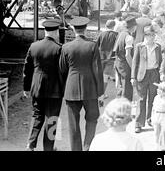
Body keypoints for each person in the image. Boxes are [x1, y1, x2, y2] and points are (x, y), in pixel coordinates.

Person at [59, 16, 104, 151]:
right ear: (85, 29)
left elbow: (62, 70)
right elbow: (98, 70)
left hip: (71, 89)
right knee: (92, 118)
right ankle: (87, 147)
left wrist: (64, 90)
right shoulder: (92, 46)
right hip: (90, 89)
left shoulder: (66, 47)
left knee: (73, 124)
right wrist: (100, 93)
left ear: (73, 29)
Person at [23, 19, 64, 151]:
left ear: (45, 31)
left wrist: (26, 88)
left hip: (37, 86)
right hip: (55, 89)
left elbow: (27, 69)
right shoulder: (60, 48)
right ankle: (48, 148)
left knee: (37, 115)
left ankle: (30, 144)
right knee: (52, 119)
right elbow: (63, 70)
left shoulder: (34, 46)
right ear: (56, 31)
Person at [131, 25, 162, 133]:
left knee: (152, 98)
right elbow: (135, 62)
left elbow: (160, 62)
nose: (151, 37)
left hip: (154, 74)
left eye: (153, 35)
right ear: (145, 36)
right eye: (149, 35)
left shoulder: (158, 47)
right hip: (142, 75)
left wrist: (161, 75)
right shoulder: (140, 46)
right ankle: (138, 123)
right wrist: (133, 77)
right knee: (141, 99)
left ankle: (150, 119)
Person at [113, 16, 137, 101]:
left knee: (120, 87)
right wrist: (132, 67)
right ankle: (124, 110)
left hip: (118, 62)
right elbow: (128, 55)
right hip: (125, 65)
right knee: (126, 91)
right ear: (133, 27)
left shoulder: (121, 33)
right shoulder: (129, 37)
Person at [96, 20, 118, 97]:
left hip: (101, 57)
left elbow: (96, 45)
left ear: (106, 25)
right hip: (111, 58)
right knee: (105, 76)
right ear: (114, 26)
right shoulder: (116, 35)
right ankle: (102, 94)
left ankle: (97, 92)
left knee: (99, 75)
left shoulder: (101, 34)